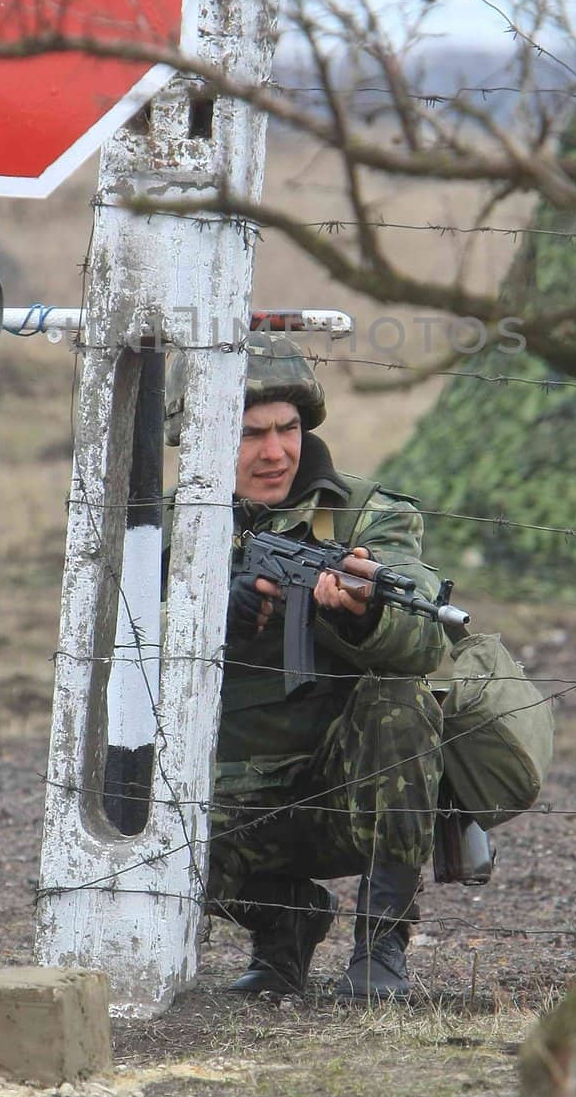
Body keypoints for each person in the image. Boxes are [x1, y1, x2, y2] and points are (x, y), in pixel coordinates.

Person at [163, 333, 448, 1001]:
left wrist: (360, 614)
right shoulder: (161, 526)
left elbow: (423, 634)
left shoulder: (363, 514)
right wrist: (206, 617)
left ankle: (380, 944)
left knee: (397, 699)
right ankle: (283, 928)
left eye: (287, 428)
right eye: (249, 433)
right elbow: (113, 649)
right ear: (198, 436)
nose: (275, 452)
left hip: (343, 794)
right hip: (221, 805)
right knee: (123, 825)